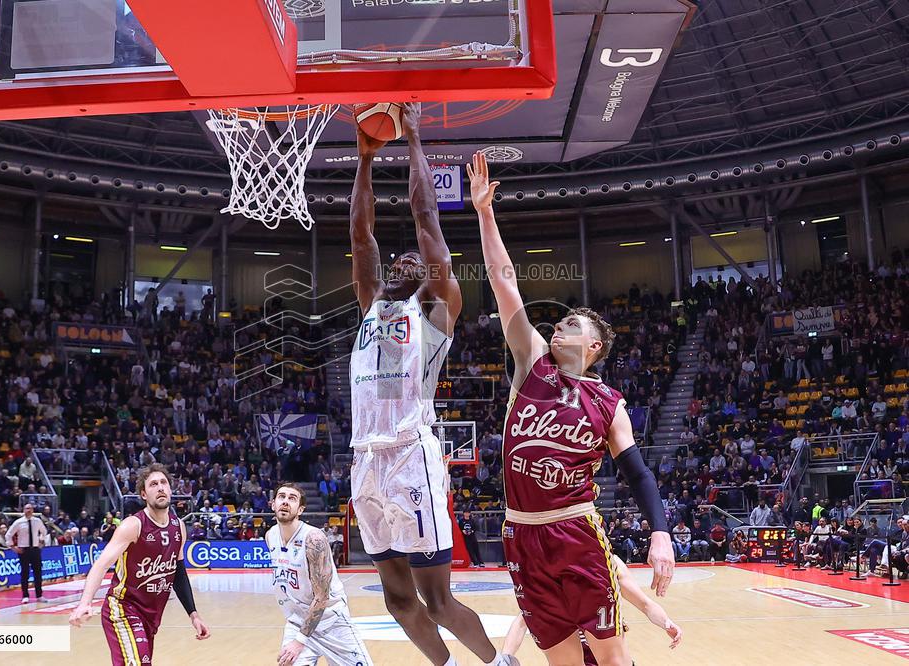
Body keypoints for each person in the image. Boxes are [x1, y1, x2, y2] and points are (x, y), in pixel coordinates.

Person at [469, 150, 674, 666]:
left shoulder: (609, 402)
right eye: (559, 323)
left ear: (595, 347)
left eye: (572, 326)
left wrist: (661, 534)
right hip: (521, 532)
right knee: (561, 661)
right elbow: (505, 282)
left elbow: (639, 474)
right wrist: (485, 215)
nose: (558, 327)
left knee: (611, 658)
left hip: (576, 531)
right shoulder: (532, 362)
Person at [348, 105, 512, 666]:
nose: (404, 257)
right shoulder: (373, 303)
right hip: (365, 460)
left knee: (437, 599)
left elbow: (427, 220)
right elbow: (361, 232)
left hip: (410, 455)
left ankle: (496, 663)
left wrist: (413, 135)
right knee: (397, 601)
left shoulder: (437, 312)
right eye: (400, 257)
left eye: (415, 258)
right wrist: (366, 160)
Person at [69, 464, 210, 664]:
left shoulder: (178, 527)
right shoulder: (133, 525)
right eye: (153, 484)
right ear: (144, 494)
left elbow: (178, 573)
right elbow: (101, 565)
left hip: (151, 616)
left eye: (164, 483)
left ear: (170, 489)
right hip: (123, 609)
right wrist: (85, 603)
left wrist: (193, 615)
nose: (160, 487)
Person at [503, 555, 682, 664]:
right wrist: (505, 658)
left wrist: (666, 622)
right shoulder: (552, 570)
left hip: (610, 658)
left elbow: (645, 604)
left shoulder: (611, 564)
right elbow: (522, 621)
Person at [267, 484, 372, 666]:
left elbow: (322, 597)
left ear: (300, 509)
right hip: (297, 621)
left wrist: (300, 640)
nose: (285, 501)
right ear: (273, 504)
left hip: (331, 622)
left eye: (292, 498)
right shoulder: (271, 536)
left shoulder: (313, 539)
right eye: (281, 497)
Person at [5, 503, 48, 603]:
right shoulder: (19, 522)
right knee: (25, 573)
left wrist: (41, 540)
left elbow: (44, 531)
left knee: (38, 573)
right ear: (23, 510)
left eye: (30, 508)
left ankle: (39, 595)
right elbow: (8, 535)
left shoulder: (37, 521)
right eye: (27, 508)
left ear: (33, 510)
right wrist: (12, 547)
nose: (29, 510)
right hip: (23, 550)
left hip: (35, 549)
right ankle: (25, 595)